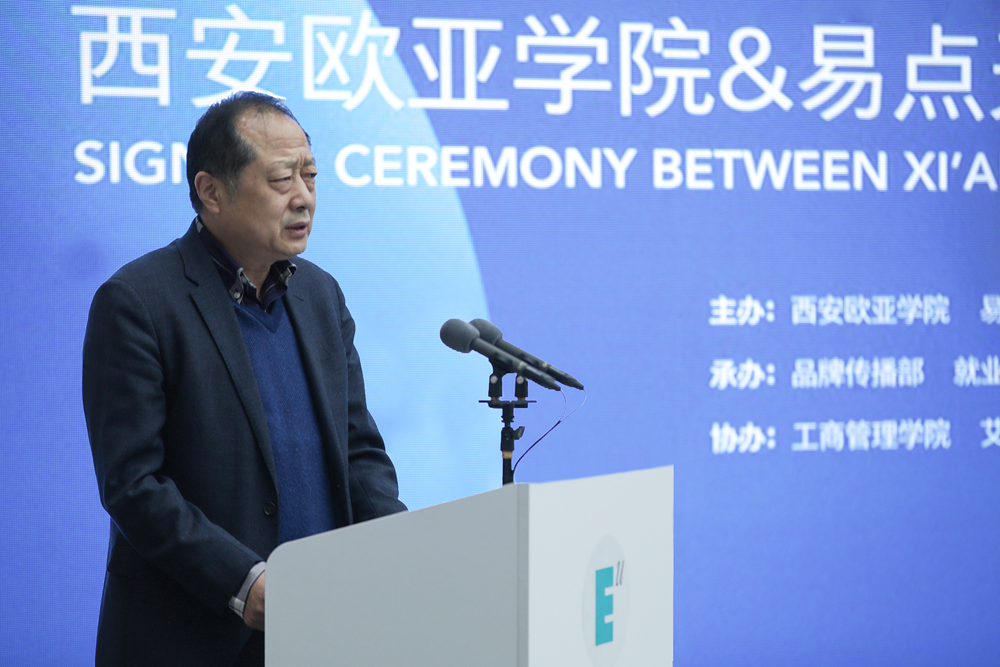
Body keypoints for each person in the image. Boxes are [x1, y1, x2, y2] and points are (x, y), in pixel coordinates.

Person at [82, 92, 406, 667]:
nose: (303, 196)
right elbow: (134, 484)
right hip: (191, 636)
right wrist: (243, 580)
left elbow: (357, 449)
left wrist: (402, 549)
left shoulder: (320, 294)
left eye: (310, 176)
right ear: (212, 192)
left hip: (322, 629)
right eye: (282, 179)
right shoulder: (138, 301)